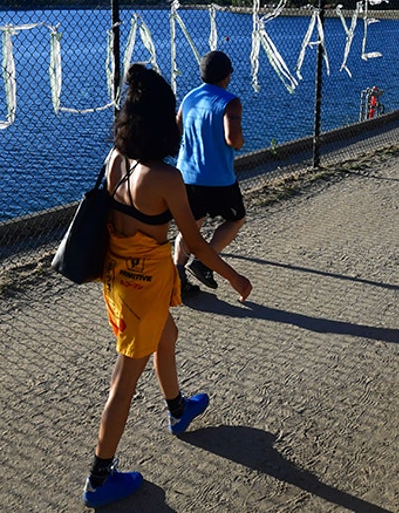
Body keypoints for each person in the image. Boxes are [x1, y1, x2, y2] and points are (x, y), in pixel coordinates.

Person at [83, 64, 253, 508]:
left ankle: (178, 410)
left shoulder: (115, 160)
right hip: (146, 283)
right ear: (162, 121)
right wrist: (235, 277)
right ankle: (99, 478)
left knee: (168, 335)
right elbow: (194, 242)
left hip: (117, 277)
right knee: (124, 380)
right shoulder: (164, 178)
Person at [174, 50, 246, 295]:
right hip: (218, 179)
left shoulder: (189, 98)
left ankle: (177, 275)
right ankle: (204, 262)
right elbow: (233, 138)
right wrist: (238, 144)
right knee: (236, 219)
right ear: (227, 75)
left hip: (186, 175)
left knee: (190, 227)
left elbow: (177, 130)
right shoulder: (229, 101)